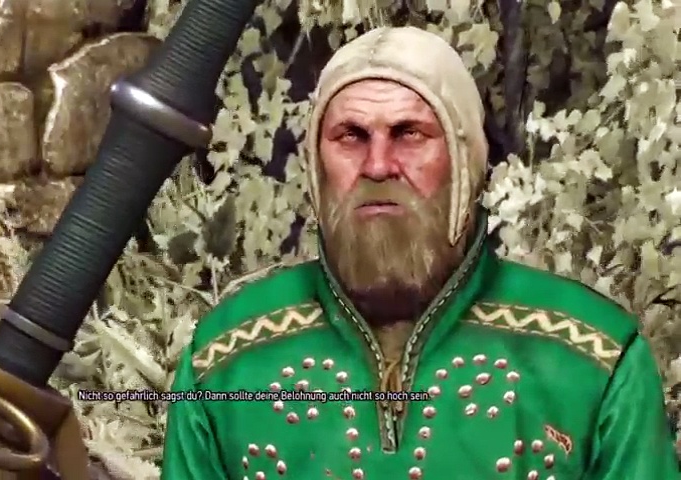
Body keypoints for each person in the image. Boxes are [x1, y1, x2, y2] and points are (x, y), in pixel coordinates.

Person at [161, 26, 679, 479]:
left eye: (409, 134)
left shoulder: (592, 359)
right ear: (316, 168)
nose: (378, 165)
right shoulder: (225, 362)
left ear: (465, 162)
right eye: (351, 136)